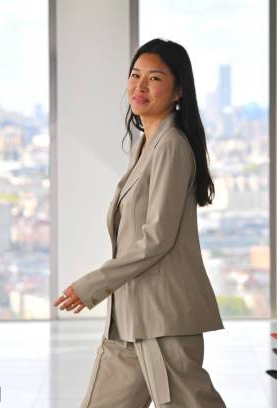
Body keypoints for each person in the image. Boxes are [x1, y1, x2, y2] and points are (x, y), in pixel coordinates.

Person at [53, 39, 226, 408]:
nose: (140, 86)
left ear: (179, 90)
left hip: (162, 319)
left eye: (154, 78)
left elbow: (157, 238)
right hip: (131, 316)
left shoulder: (172, 147)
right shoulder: (145, 144)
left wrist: (93, 284)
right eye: (135, 75)